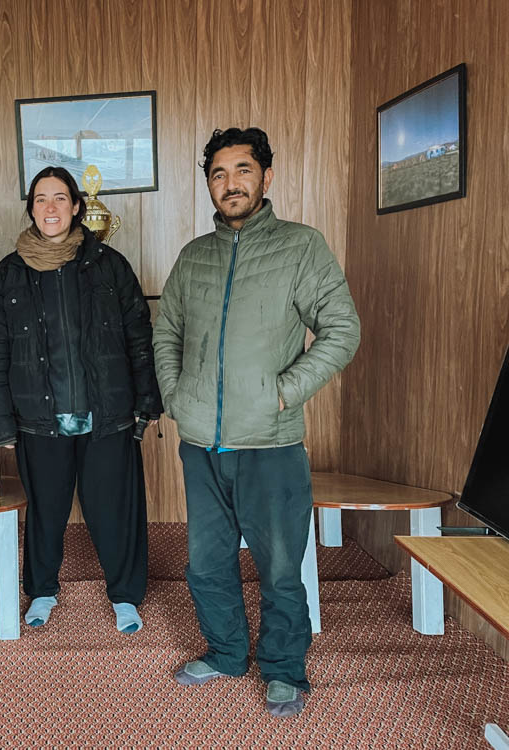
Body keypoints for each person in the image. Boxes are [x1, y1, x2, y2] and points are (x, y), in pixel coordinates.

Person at [153, 127, 360, 716]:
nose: (230, 183)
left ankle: (284, 668)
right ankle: (224, 652)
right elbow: (167, 332)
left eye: (242, 170)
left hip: (270, 443)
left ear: (266, 178)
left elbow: (343, 329)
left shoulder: (301, 247)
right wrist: (177, 394)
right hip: (202, 443)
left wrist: (286, 391)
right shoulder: (195, 255)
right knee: (206, 562)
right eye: (218, 174)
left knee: (279, 566)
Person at [0, 166, 162, 634]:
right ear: (31, 208)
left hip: (108, 416)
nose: (51, 208)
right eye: (41, 199)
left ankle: (125, 597)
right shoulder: (8, 275)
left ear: (77, 206)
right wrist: (1, 423)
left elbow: (139, 337)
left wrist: (146, 403)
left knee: (113, 510)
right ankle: (41, 592)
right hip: (39, 421)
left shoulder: (109, 265)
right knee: (46, 513)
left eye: (60, 198)